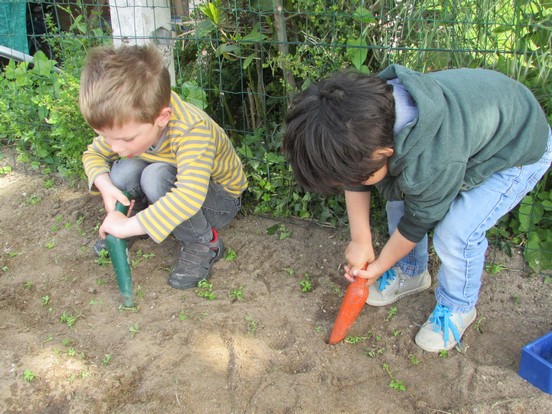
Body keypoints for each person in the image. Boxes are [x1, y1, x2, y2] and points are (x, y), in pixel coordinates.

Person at [282, 65, 551, 352]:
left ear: (384, 153)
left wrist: (379, 265)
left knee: (456, 232)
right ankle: (412, 272)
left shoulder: (432, 160)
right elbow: (356, 174)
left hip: (518, 149)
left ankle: (458, 306)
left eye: (357, 177)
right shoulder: (361, 121)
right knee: (400, 196)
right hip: (475, 132)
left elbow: (420, 218)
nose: (353, 182)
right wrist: (360, 239)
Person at [80, 44, 247, 290]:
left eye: (126, 139)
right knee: (122, 170)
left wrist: (124, 228)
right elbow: (92, 155)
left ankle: (203, 242)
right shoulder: (131, 123)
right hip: (174, 183)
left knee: (155, 176)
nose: (116, 148)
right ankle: (139, 218)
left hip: (218, 200)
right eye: (106, 137)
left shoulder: (192, 129)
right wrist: (105, 187)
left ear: (162, 118)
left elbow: (189, 196)